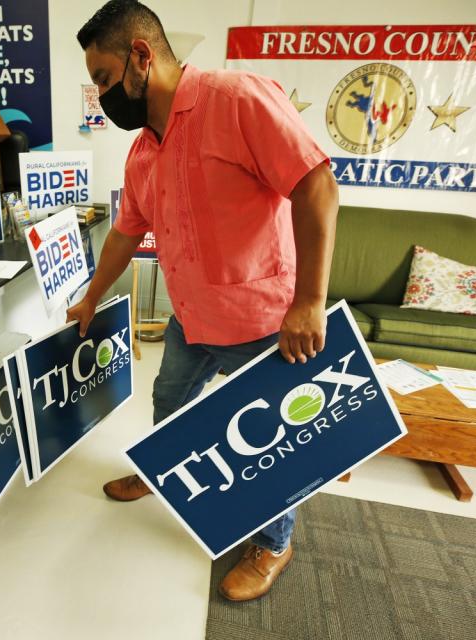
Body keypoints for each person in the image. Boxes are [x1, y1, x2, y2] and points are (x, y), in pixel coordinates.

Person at [70, 0, 338, 602]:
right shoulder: (143, 150)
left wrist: (309, 301)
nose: (102, 95)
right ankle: (164, 473)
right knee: (171, 403)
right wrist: (90, 297)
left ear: (141, 56)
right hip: (191, 321)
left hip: (264, 322)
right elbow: (125, 233)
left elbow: (316, 184)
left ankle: (274, 543)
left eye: (104, 79)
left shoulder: (237, 99)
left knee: (269, 443)